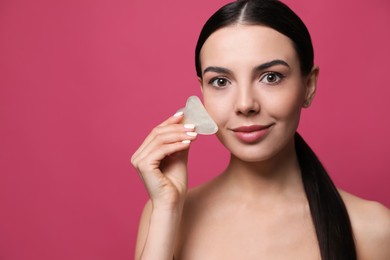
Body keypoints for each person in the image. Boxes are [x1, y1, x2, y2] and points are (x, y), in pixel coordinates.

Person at [131, 0, 390, 259]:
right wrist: (166, 208)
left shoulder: (372, 229)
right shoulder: (166, 214)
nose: (245, 104)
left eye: (271, 77)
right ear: (202, 92)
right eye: (220, 81)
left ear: (308, 86)